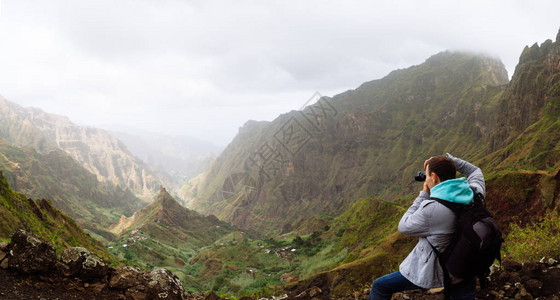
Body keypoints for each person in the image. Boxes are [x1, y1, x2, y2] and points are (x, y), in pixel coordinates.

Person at [369, 153, 485, 300]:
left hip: (440, 272)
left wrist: (424, 194)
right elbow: (475, 171)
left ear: (434, 177)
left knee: (380, 286)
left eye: (427, 175)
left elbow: (403, 225)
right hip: (467, 268)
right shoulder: (475, 194)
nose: (426, 178)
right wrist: (449, 159)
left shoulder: (432, 209)